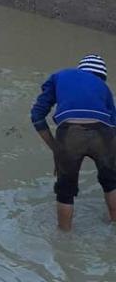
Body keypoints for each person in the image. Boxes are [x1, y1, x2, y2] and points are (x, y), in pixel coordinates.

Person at [31, 55, 116, 231]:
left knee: (65, 190)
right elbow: (113, 124)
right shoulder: (104, 88)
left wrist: (56, 149)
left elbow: (37, 115)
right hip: (103, 131)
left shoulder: (59, 76)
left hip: (70, 132)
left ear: (80, 70)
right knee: (111, 182)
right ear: (101, 76)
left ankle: (64, 240)